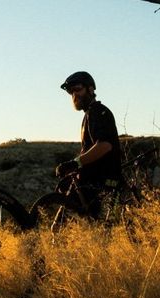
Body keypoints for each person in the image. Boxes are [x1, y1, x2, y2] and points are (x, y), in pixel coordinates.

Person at [54, 71, 124, 219]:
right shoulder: (89, 114)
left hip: (101, 183)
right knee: (68, 228)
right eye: (70, 91)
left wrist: (76, 162)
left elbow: (104, 145)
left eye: (78, 89)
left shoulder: (98, 112)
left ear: (90, 89)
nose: (74, 94)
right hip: (90, 182)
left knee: (67, 229)